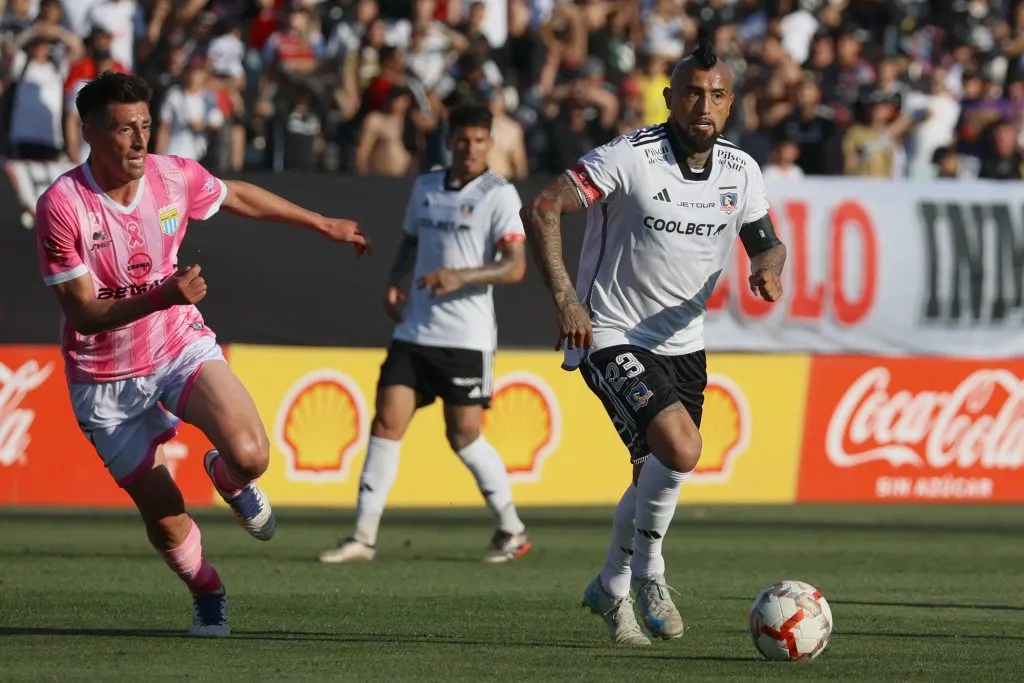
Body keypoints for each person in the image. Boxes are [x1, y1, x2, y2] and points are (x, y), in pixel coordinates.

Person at [34, 72, 370, 638]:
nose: (140, 141)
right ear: (90, 133)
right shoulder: (63, 206)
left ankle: (229, 478)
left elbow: (233, 193)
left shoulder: (172, 177)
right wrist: (165, 291)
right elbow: (83, 315)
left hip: (176, 343)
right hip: (105, 378)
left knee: (252, 453)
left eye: (145, 126)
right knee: (165, 521)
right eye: (124, 130)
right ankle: (207, 590)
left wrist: (320, 223)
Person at [520, 42, 787, 645]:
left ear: (731, 103)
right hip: (610, 332)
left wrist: (770, 266)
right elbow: (543, 208)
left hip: (683, 344)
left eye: (717, 95)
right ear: (669, 97)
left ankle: (610, 588)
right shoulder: (630, 157)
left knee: (655, 469)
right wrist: (566, 299)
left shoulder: (741, 171)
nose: (704, 105)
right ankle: (649, 574)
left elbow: (768, 241)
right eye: (693, 92)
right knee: (681, 447)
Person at [318, 102, 532, 565]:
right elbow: (412, 242)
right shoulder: (426, 186)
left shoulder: (500, 194)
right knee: (386, 423)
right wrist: (395, 283)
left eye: (480, 141)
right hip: (416, 330)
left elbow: (515, 268)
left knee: (464, 436)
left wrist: (462, 275)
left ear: (490, 144)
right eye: (463, 139)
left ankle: (511, 528)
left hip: (467, 338)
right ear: (449, 141)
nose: (471, 148)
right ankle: (363, 536)